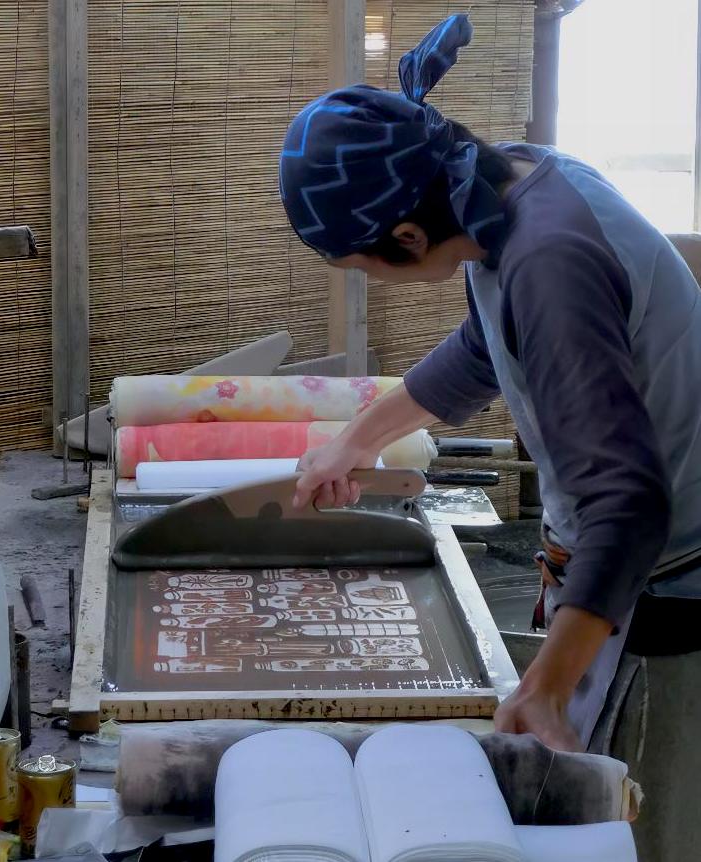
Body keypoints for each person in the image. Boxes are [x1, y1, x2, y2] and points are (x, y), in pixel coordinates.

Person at [279, 14, 701, 859]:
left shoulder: (550, 262)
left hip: (666, 600)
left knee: (639, 835)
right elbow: (486, 346)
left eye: (364, 268)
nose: (374, 283)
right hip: (615, 579)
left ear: (408, 237)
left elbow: (628, 507)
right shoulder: (510, 184)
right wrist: (358, 439)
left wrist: (547, 685)